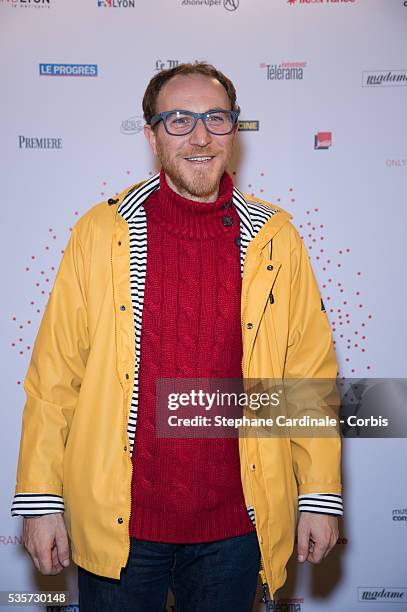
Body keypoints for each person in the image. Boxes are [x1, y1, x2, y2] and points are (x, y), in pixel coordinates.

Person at [12, 63, 342, 611]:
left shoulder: (274, 238)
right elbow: (54, 379)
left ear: (234, 129)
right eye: (178, 120)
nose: (199, 136)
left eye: (215, 118)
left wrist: (320, 495)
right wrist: (42, 502)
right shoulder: (100, 231)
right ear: (151, 134)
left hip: (236, 525)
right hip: (121, 526)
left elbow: (305, 378)